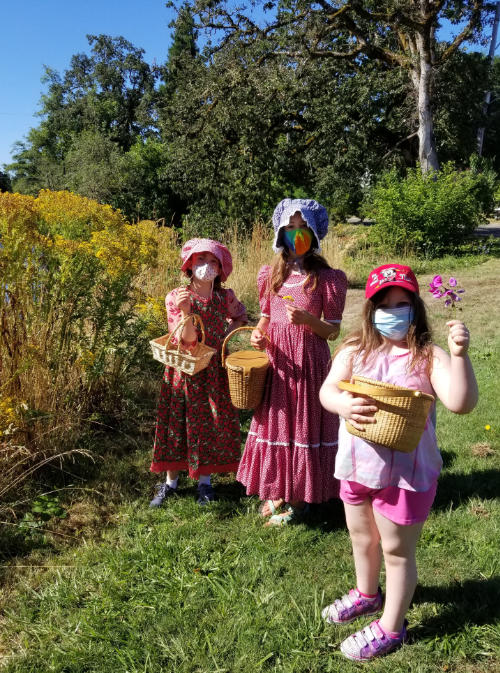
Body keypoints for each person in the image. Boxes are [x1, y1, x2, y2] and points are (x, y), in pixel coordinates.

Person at [319, 263, 478, 661]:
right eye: (384, 304)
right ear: (370, 310)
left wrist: (459, 355)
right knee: (361, 538)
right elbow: (327, 390)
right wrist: (340, 403)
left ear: (416, 308)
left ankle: (392, 627)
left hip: (406, 476)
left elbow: (461, 403)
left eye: (402, 303)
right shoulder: (355, 350)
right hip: (358, 467)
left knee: (396, 552)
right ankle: (367, 593)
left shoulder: (428, 356)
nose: (393, 311)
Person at [236, 198, 348, 525]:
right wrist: (258, 335)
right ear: (281, 232)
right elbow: (266, 318)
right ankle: (279, 489)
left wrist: (308, 320)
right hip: (279, 364)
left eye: (303, 229)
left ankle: (300, 500)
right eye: (291, 228)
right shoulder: (271, 274)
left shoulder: (326, 278)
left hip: (310, 365)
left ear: (313, 234)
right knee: (278, 424)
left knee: (304, 425)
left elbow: (333, 331)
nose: (297, 234)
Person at [150, 238, 247, 507]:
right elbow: (187, 341)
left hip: (213, 369)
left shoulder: (224, 297)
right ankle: (171, 483)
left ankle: (205, 483)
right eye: (200, 260)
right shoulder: (177, 297)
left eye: (212, 261)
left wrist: (225, 337)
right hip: (184, 369)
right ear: (189, 265)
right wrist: (185, 312)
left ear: (220, 268)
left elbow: (241, 317)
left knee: (210, 422)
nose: (206, 266)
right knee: (178, 422)